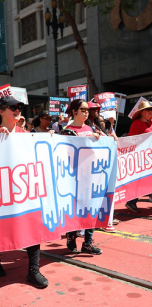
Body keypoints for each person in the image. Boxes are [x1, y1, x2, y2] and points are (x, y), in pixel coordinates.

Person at [0, 96, 48, 289]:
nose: (17, 109)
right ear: (1, 111)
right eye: (12, 106)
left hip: (25, 190)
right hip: (1, 191)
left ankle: (33, 270)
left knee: (32, 227)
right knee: (0, 228)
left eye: (19, 106)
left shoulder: (25, 133)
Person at [61, 99, 102, 255]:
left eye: (87, 110)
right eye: (83, 109)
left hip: (91, 176)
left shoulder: (90, 127)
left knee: (91, 208)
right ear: (74, 112)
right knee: (75, 209)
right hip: (74, 178)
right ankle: (71, 237)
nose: (86, 112)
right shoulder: (67, 130)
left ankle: (88, 243)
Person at [125, 101, 152, 213]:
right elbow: (131, 140)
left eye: (151, 110)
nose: (150, 112)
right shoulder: (136, 124)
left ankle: (131, 201)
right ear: (141, 112)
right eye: (148, 110)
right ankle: (131, 201)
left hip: (149, 156)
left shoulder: (151, 123)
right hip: (141, 157)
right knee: (142, 180)